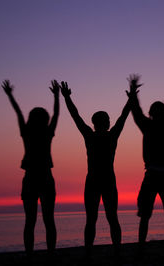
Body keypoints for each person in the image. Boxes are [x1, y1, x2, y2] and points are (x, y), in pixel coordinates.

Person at [60, 79, 131, 256]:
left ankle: (91, 252)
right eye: (107, 120)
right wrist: (131, 99)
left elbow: (76, 116)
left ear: (94, 123)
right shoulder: (109, 136)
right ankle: (115, 250)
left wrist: (67, 98)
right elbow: (123, 116)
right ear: (106, 123)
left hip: (94, 180)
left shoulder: (91, 136)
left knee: (93, 219)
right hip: (104, 180)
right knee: (110, 218)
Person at [127, 75, 164, 248]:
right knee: (148, 215)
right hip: (155, 174)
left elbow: (137, 112)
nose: (158, 113)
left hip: (162, 174)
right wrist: (132, 93)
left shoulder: (163, 126)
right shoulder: (155, 125)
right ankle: (143, 246)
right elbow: (137, 112)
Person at [2, 79, 59, 255]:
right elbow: (56, 114)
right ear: (45, 119)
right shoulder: (45, 132)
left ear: (31, 118)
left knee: (32, 220)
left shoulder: (28, 132)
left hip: (33, 178)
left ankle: (30, 255)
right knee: (46, 220)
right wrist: (57, 96)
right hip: (42, 177)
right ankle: (48, 254)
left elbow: (19, 113)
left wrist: (10, 95)